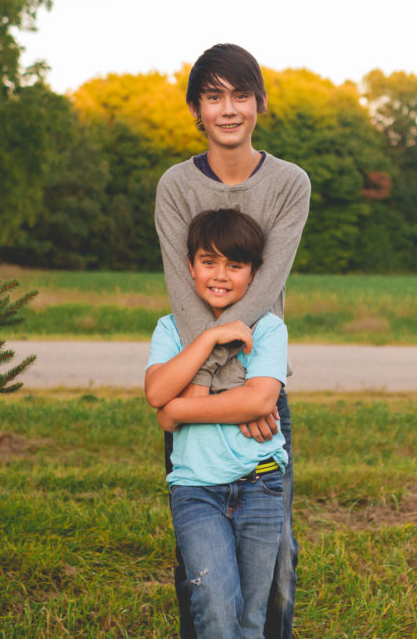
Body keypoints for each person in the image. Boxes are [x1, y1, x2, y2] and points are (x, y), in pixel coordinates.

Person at [155, 42, 310, 638]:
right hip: (194, 379)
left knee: (278, 561)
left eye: (240, 95)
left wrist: (244, 387)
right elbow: (182, 290)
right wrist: (212, 382)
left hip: (254, 386)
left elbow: (266, 288)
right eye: (213, 96)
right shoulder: (174, 186)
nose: (228, 109)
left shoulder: (291, 184)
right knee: (202, 561)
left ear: (259, 103)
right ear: (196, 108)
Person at [146, 209, 289, 637]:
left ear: (255, 274)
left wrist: (177, 411)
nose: (220, 275)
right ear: (189, 268)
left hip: (260, 486)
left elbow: (261, 399)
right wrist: (209, 337)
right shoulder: (171, 330)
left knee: (249, 619)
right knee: (213, 601)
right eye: (209, 261)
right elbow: (156, 392)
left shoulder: (267, 329)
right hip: (196, 491)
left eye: (236, 264)